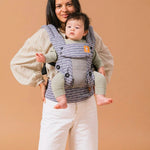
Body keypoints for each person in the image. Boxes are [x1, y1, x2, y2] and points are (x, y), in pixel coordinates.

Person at [10, 0, 114, 149]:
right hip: (58, 106)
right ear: (53, 9)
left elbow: (106, 59)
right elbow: (18, 62)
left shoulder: (88, 33)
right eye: (59, 6)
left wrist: (98, 82)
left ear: (76, 6)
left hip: (86, 105)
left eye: (69, 4)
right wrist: (40, 82)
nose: (64, 9)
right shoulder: (46, 34)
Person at [36, 12, 112, 109]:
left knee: (100, 78)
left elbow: (96, 58)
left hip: (87, 77)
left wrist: (100, 67)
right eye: (69, 26)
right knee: (55, 81)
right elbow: (52, 55)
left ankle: (100, 97)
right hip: (66, 77)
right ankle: (62, 100)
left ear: (85, 32)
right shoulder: (61, 44)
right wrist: (44, 58)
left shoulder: (88, 46)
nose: (72, 29)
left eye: (77, 27)